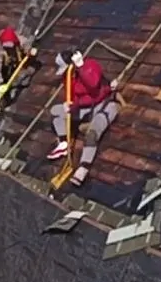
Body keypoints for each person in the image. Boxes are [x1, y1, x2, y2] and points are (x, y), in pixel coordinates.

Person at [46, 48, 120, 186]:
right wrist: (70, 105)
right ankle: (63, 143)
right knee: (56, 111)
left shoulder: (90, 66)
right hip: (83, 108)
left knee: (92, 133)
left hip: (103, 105)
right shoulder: (68, 77)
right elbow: (72, 95)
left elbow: (93, 86)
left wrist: (81, 67)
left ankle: (83, 168)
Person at [0, 26, 38, 113]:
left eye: (10, 47)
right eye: (6, 47)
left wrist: (30, 52)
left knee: (18, 81)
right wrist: (0, 83)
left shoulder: (22, 41)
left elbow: (29, 49)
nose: (9, 49)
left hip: (22, 68)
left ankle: (10, 102)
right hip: (6, 69)